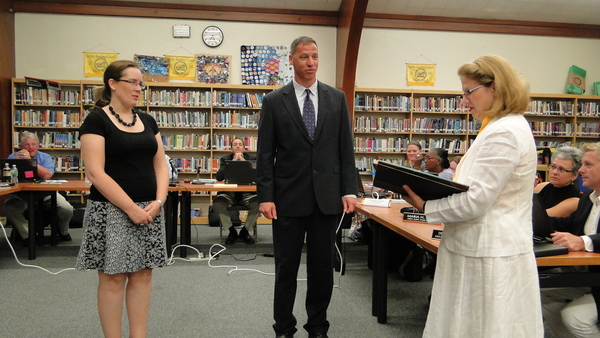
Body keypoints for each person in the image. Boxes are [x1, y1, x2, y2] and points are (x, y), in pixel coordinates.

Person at [401, 55, 543, 337]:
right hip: (480, 245)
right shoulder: (499, 126)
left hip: (488, 250)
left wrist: (426, 206)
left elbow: (477, 199)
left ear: (496, 87)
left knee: (482, 327)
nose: (464, 101)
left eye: (469, 92)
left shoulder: (504, 132)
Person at [257, 36, 357, 338]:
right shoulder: (275, 101)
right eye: (303, 57)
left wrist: (349, 189)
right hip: (288, 199)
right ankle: (284, 328)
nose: (310, 62)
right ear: (291, 60)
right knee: (286, 268)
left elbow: (345, 149)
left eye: (314, 56)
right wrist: (265, 196)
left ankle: (317, 326)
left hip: (326, 200)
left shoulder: (336, 98)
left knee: (322, 268)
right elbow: (265, 154)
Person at [75, 60, 169, 338]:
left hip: (150, 209)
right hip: (112, 210)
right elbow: (95, 171)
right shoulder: (96, 119)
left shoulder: (148, 120)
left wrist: (159, 201)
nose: (139, 88)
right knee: (113, 277)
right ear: (112, 84)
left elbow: (161, 165)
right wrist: (130, 208)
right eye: (132, 82)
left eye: (141, 83)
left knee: (143, 275)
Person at [547, 142, 600, 337]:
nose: (582, 170)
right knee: (538, 293)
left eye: (588, 165)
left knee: (575, 316)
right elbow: (567, 223)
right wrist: (531, 221)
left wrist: (584, 241)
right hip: (587, 275)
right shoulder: (588, 198)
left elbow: (584, 238)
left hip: (592, 278)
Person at [3, 131, 73, 244]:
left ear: (38, 145)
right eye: (27, 144)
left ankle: (63, 230)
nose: (30, 147)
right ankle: (28, 235)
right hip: (22, 195)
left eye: (33, 144)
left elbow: (48, 175)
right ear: (21, 146)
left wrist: (29, 161)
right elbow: (6, 175)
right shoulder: (13, 157)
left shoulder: (45, 157)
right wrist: (17, 159)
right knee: (9, 207)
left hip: (46, 194)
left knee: (67, 208)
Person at [213, 137, 258, 245]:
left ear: (244, 148)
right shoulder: (225, 159)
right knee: (217, 202)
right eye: (235, 144)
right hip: (230, 194)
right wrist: (232, 163)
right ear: (231, 149)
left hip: (247, 195)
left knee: (259, 203)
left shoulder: (252, 159)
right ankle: (231, 231)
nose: (238, 146)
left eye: (240, 144)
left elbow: (256, 177)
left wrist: (244, 162)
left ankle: (245, 231)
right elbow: (219, 177)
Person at [534, 146, 582, 217]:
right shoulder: (542, 187)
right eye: (553, 167)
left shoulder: (574, 200)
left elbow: (539, 217)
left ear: (574, 175)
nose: (555, 172)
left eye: (561, 169)